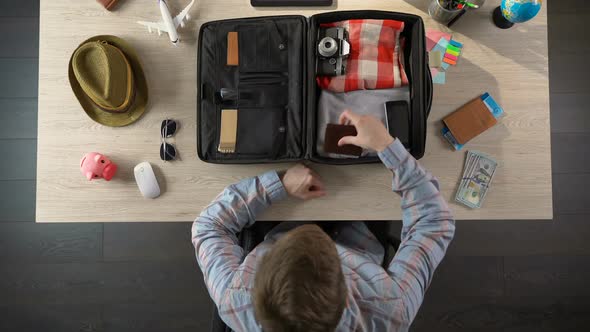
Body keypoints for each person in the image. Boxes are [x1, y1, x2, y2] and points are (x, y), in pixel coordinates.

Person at [191, 110, 456, 332]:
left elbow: (208, 226)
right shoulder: (390, 310)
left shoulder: (234, 299)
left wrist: (278, 184)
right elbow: (434, 222)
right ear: (345, 286)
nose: (315, 229)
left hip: (278, 219)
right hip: (362, 233)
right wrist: (387, 146)